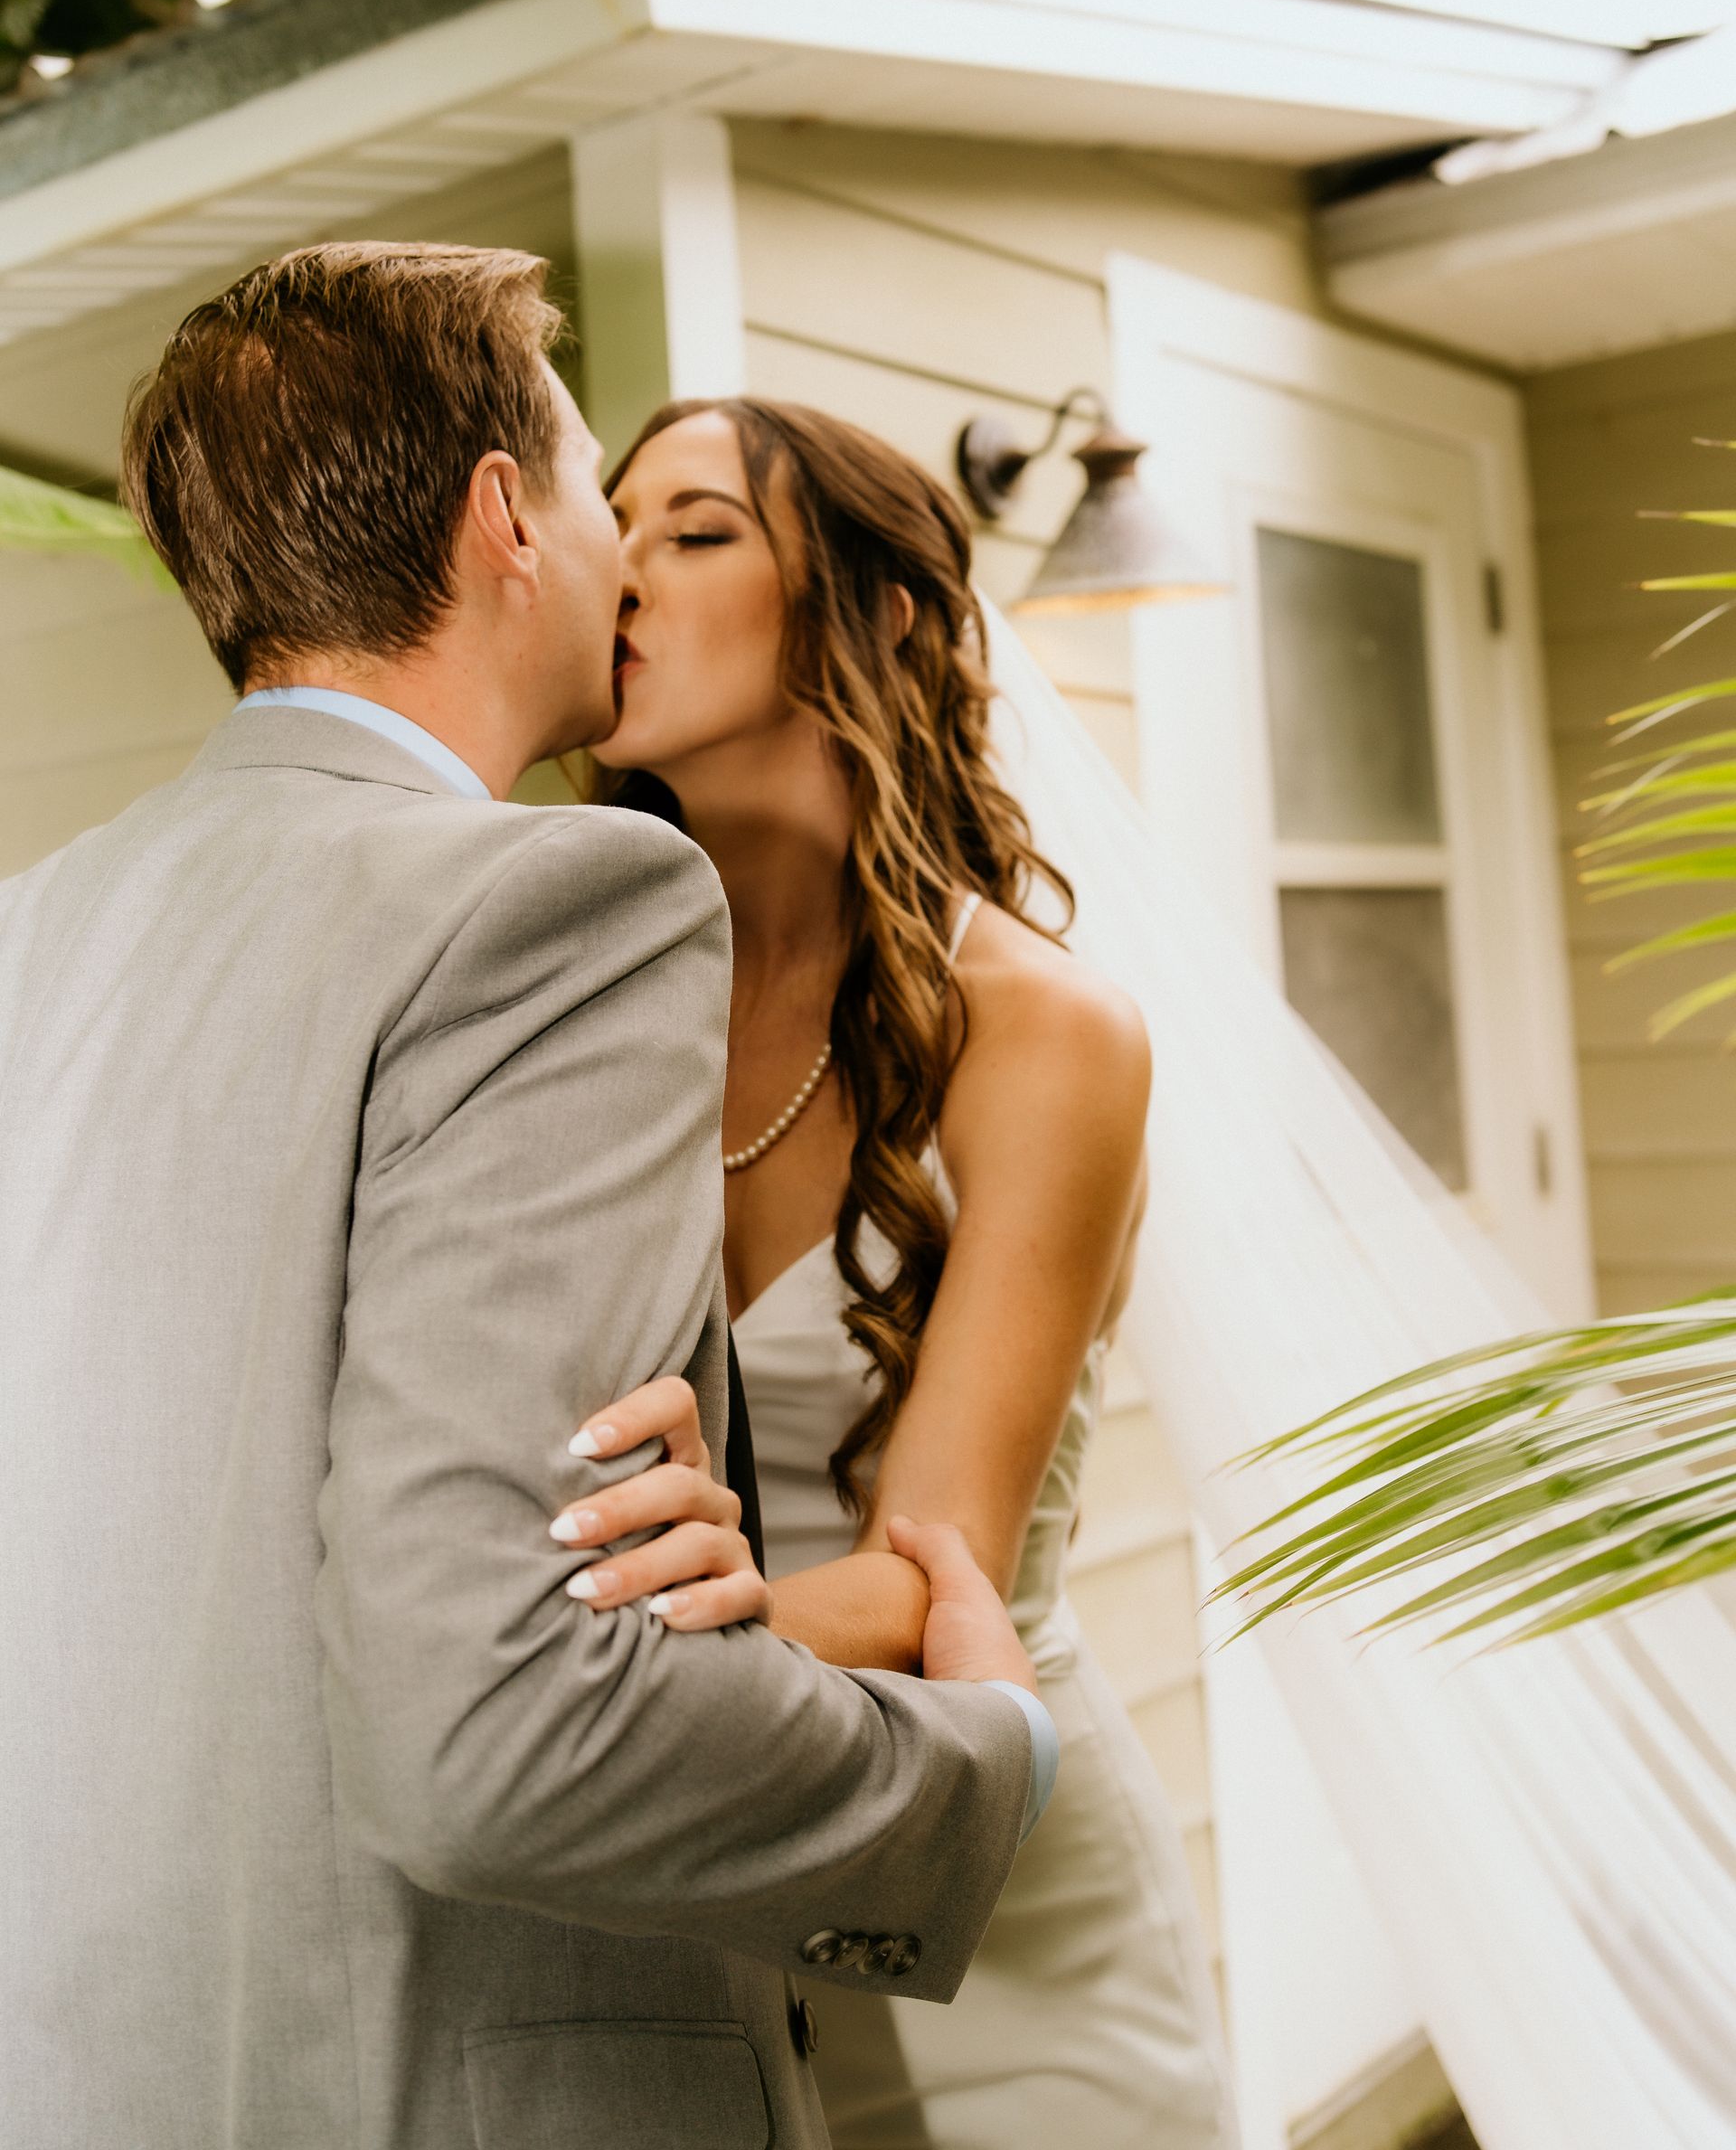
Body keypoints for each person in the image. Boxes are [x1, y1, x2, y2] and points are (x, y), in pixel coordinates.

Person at [0, 245, 1057, 2150]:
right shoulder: (552, 902)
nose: (625, 554)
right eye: (593, 488)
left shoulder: (33, 931)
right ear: (506, 519)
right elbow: (494, 1736)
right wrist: (975, 1757)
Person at [549, 395, 1237, 2149]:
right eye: (610, 527)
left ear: (889, 616)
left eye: (696, 532)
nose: (623, 574)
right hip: (678, 1885)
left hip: (980, 1868)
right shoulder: (569, 1013)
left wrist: (517, 1675)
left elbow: (934, 1579)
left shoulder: (1044, 1031)